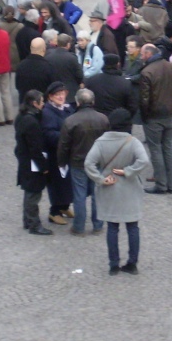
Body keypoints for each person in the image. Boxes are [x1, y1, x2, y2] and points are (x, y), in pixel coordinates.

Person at [85, 108, 151, 275]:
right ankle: (132, 263)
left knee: (112, 228)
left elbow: (88, 164)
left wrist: (100, 179)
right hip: (129, 190)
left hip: (110, 189)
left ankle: (113, 265)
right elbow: (144, 160)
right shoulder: (132, 141)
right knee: (133, 227)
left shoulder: (100, 142)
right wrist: (129, 171)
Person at [58, 88, 111, 235]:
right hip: (98, 162)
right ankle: (98, 225)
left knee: (79, 195)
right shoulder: (103, 119)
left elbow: (64, 145)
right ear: (93, 101)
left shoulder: (70, 121)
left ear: (77, 102)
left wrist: (61, 162)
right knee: (97, 194)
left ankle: (79, 226)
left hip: (78, 162)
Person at [139, 43, 172, 195]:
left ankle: (161, 184)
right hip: (169, 113)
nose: (141, 57)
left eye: (142, 54)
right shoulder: (171, 67)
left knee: (156, 149)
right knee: (169, 148)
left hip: (154, 116)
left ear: (149, 54)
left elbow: (144, 100)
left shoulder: (147, 72)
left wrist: (144, 116)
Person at [14, 90, 54, 235]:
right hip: (32, 162)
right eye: (41, 101)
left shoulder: (21, 117)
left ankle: (27, 220)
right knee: (33, 193)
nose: (43, 104)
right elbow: (35, 149)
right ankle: (34, 224)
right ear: (34, 103)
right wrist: (44, 166)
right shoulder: (32, 122)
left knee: (29, 191)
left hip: (24, 159)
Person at [41, 81, 74, 226]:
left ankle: (64, 206)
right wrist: (66, 137)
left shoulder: (67, 109)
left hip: (67, 152)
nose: (61, 97)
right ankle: (54, 212)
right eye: (57, 95)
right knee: (57, 183)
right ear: (50, 97)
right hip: (54, 154)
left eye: (63, 94)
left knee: (67, 181)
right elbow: (48, 134)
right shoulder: (48, 112)